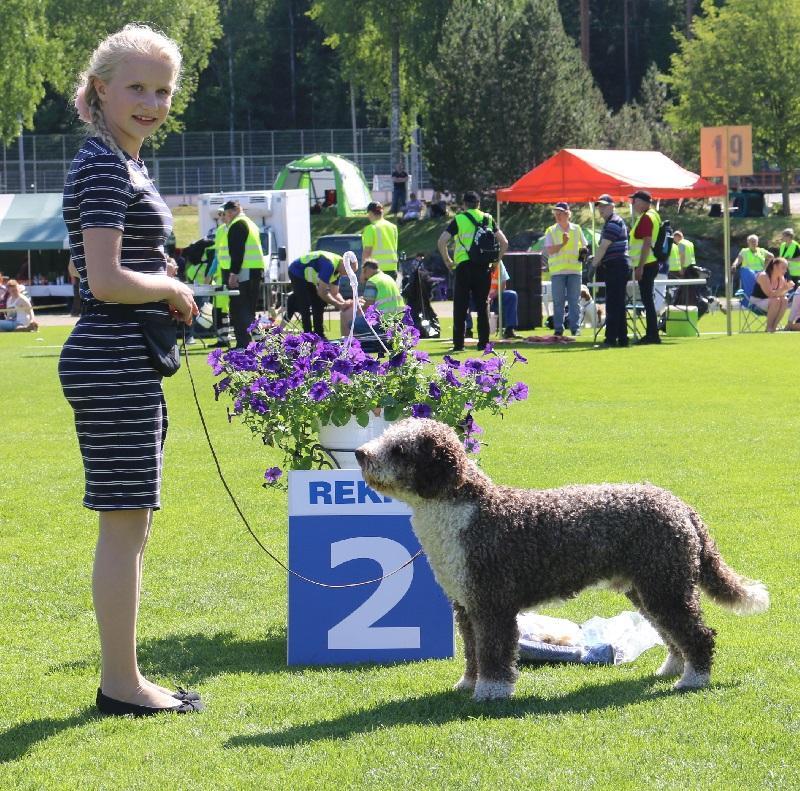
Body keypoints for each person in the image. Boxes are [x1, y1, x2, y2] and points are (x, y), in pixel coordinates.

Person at [58, 24, 202, 717]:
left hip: (125, 354)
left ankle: (125, 676)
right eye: (137, 87)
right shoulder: (104, 165)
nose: (151, 101)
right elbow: (109, 279)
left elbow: (100, 267)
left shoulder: (126, 165)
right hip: (112, 352)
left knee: (131, 522)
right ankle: (122, 682)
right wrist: (169, 288)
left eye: (162, 90)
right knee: (123, 524)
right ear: (100, 90)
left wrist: (158, 278)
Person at [438, 190, 508, 352]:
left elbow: (442, 242)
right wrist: (496, 261)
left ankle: (459, 344)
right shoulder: (488, 218)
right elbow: (504, 242)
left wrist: (448, 261)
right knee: (483, 306)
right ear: (479, 204)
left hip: (463, 266)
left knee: (461, 306)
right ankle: (483, 344)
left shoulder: (459, 219)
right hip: (483, 267)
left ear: (464, 204)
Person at [219, 199, 264, 348]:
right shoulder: (251, 223)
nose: (225, 217)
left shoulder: (237, 225)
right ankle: (252, 343)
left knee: (239, 308)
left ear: (232, 211)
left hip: (244, 271)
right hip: (255, 270)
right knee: (249, 309)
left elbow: (237, 252)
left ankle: (242, 344)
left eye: (225, 214)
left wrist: (234, 273)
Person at [543, 202, 587, 336]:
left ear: (568, 214)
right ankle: (558, 329)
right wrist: (563, 244)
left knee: (574, 301)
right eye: (556, 213)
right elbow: (549, 250)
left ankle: (575, 329)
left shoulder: (577, 229)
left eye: (560, 213)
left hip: (574, 270)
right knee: (558, 302)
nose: (557, 216)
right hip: (558, 272)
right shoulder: (551, 230)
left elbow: (584, 246)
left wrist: (583, 255)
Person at [592, 194, 630, 348]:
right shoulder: (612, 222)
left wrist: (593, 265)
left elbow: (604, 246)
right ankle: (622, 338)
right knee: (618, 304)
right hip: (617, 265)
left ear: (612, 206)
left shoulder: (613, 222)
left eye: (604, 206)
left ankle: (611, 339)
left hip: (617, 266)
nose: (601, 209)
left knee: (613, 304)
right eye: (599, 206)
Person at [286, 250, 351, 337]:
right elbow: (322, 292)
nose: (349, 275)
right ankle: (307, 335)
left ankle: (319, 334)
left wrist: (344, 303)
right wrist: (339, 305)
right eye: (349, 271)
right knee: (304, 304)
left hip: (308, 277)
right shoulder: (330, 265)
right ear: (344, 263)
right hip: (297, 272)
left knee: (319, 303)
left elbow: (335, 293)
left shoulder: (338, 269)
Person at [629, 190, 662, 345]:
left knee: (647, 301)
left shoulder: (647, 217)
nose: (632, 204)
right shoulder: (654, 215)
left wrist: (640, 267)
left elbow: (647, 242)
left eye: (634, 201)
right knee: (648, 300)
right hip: (651, 262)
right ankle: (652, 334)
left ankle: (652, 335)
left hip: (647, 263)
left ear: (642, 202)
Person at [465, 261, 519, 340]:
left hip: (495, 298)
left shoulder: (499, 263)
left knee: (512, 295)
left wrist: (493, 295)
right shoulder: (474, 262)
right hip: (477, 298)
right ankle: (467, 330)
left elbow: (503, 284)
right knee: (464, 299)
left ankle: (509, 330)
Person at [750, 257, 793, 332]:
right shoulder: (763, 276)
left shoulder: (781, 277)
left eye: (786, 268)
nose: (785, 271)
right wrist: (784, 288)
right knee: (775, 300)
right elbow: (770, 294)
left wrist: (787, 288)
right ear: (775, 266)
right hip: (756, 303)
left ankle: (774, 327)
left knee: (785, 300)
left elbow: (780, 294)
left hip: (771, 302)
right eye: (783, 268)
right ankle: (769, 327)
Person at [362, 201, 399, 280]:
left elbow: (367, 252)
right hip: (392, 268)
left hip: (375, 269)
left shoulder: (371, 228)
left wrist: (363, 272)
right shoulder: (393, 227)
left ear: (371, 213)